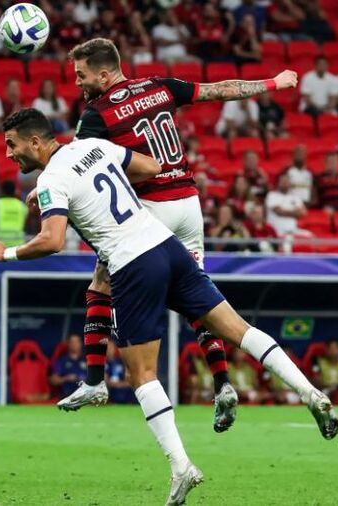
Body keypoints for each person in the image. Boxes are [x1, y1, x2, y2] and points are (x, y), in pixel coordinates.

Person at [0, 109, 338, 504]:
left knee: (142, 375)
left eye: (12, 145)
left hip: (133, 264)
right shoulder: (92, 146)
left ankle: (181, 466)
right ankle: (311, 394)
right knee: (238, 329)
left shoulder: (52, 179)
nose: (9, 154)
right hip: (168, 245)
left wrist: (8, 253)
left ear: (36, 142)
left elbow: (51, 240)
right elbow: (151, 166)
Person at [62, 38, 298, 432]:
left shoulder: (97, 114)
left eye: (81, 75)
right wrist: (273, 82)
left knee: (101, 283)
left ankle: (94, 379)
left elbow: (80, 167)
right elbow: (221, 90)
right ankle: (223, 383)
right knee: (198, 298)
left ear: (104, 74)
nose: (78, 83)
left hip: (152, 208)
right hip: (190, 205)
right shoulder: (159, 85)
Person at [312, 340, 338, 405]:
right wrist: (330, 387)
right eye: (330, 349)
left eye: (335, 349)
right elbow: (316, 381)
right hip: (324, 391)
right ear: (326, 350)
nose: (333, 351)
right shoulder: (319, 363)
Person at [0, 180, 28, 247]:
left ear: (1, 191)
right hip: (17, 242)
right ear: (14, 190)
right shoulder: (22, 206)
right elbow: (26, 226)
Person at [50, 334, 87, 399]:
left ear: (81, 344)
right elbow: (53, 381)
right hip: (67, 397)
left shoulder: (88, 361)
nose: (74, 344)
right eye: (72, 342)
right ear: (68, 344)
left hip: (86, 398)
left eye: (77, 342)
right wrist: (66, 378)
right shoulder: (61, 361)